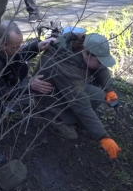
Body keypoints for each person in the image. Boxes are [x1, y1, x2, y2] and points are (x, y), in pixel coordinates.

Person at [0, 20, 55, 162]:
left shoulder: (2, 50)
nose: (20, 49)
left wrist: (37, 46)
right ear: (2, 45)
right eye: (16, 46)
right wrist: (28, 86)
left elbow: (16, 57)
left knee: (21, 67)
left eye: (20, 45)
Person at [33, 31, 123, 160]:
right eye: (100, 61)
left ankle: (77, 118)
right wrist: (104, 137)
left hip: (66, 86)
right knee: (94, 96)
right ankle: (59, 118)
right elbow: (82, 105)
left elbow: (100, 68)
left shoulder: (83, 46)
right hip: (49, 95)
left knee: (97, 93)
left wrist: (110, 90)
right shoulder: (64, 66)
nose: (102, 65)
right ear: (86, 54)